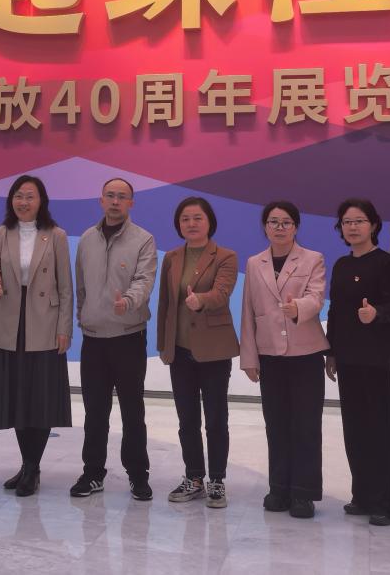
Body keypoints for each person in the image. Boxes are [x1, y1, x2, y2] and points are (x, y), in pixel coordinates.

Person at [0, 175, 73, 497]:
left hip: (44, 323)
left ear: (41, 201)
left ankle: (32, 468)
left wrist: (64, 328)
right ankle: (28, 465)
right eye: (19, 196)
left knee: (40, 398)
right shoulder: (1, 233)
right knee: (18, 398)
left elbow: (65, 287)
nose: (24, 202)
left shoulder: (56, 235)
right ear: (11, 200)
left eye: (30, 196)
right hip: (10, 323)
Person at [239, 201, 328, 518]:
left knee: (306, 425)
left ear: (296, 227)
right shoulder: (254, 263)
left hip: (306, 354)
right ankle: (278, 488)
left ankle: (303, 493)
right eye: (273, 222)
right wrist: (249, 357)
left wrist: (297, 308)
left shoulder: (313, 259)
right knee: (276, 424)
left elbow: (316, 297)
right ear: (265, 227)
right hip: (270, 355)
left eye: (286, 222)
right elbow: (248, 310)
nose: (280, 227)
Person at [72, 177, 157, 500]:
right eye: (110, 195)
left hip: (128, 336)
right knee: (95, 412)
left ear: (131, 203)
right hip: (93, 339)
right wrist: (84, 317)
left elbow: (144, 280)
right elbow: (80, 286)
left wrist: (128, 302)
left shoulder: (143, 240)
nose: (115, 201)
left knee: (133, 412)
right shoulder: (86, 239)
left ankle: (138, 475)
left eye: (122, 197)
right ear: (101, 200)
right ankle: (93, 473)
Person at [325, 198, 390, 526]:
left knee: (382, 430)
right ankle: (362, 495)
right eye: (347, 222)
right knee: (355, 428)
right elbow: (334, 311)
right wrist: (331, 352)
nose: (353, 227)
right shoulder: (341, 265)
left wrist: (376, 314)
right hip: (348, 358)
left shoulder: (386, 264)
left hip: (381, 358)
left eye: (359, 221)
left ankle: (389, 504)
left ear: (373, 225)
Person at [156, 196, 239, 509]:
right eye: (185, 219)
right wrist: (163, 343)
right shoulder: (172, 257)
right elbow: (165, 303)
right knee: (186, 419)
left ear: (209, 222)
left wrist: (201, 300)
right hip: (179, 349)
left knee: (216, 418)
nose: (191, 223)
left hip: (214, 349)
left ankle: (216, 480)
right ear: (178, 224)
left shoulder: (226, 256)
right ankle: (193, 478)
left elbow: (222, 292)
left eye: (197, 218)